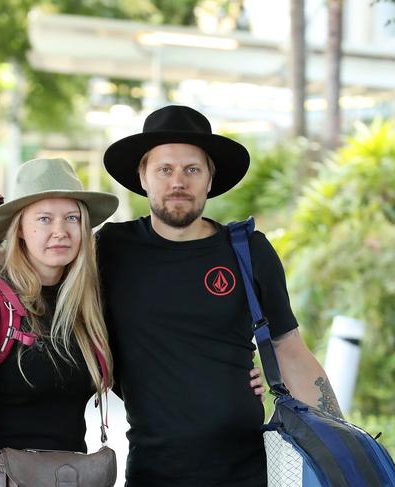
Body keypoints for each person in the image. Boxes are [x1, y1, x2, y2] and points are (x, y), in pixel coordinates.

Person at [97, 105, 343, 487]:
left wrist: (341, 448)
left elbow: (290, 350)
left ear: (210, 179)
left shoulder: (247, 250)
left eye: (192, 169)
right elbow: (71, 330)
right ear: (142, 176)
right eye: (165, 169)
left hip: (245, 470)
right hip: (152, 471)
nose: (178, 181)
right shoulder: (110, 251)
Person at [0, 157, 119, 486]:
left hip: (71, 479)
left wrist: (238, 383)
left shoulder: (88, 305)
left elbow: (147, 376)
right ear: (20, 230)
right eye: (44, 218)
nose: (60, 231)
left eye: (71, 218)